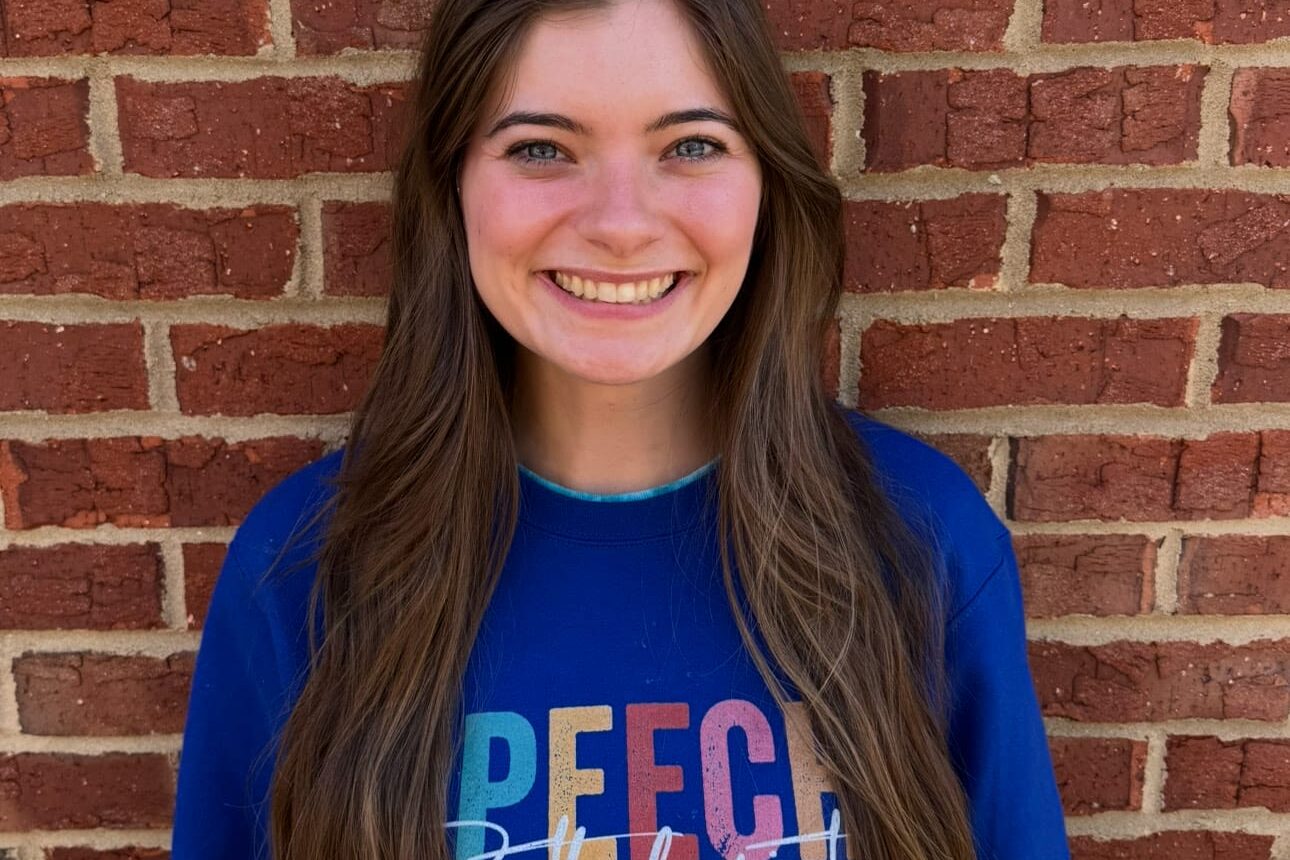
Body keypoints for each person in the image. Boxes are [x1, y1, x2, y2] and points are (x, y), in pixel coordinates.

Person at [170, 0, 1070, 857]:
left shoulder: (922, 542)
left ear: (765, 182)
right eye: (541, 149)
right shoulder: (304, 569)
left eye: (691, 145)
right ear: (453, 186)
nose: (621, 226)